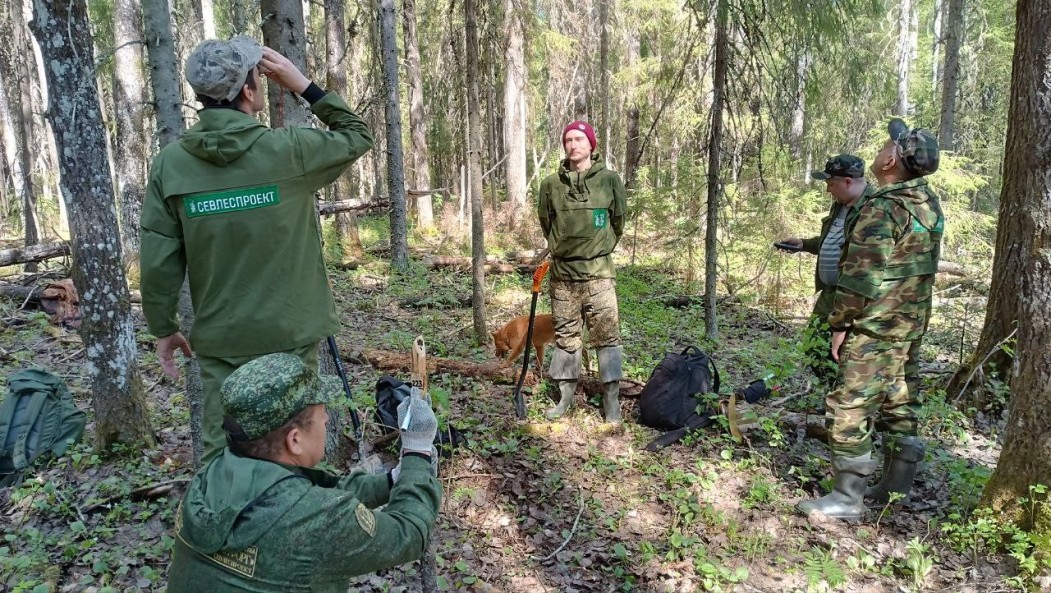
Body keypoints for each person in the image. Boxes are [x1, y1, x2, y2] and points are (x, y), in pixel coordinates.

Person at [139, 36, 373, 462]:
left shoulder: (170, 164)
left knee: (223, 451)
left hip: (223, 339)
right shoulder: (289, 151)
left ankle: (225, 520)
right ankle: (295, 519)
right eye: (258, 78)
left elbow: (159, 254)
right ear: (249, 90)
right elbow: (356, 134)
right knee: (295, 444)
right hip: (290, 332)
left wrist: (162, 326)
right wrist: (302, 84)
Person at [167, 353, 441, 591]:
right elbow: (409, 533)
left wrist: (391, 481)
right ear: (294, 440)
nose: (326, 419)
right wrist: (417, 450)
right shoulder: (319, 520)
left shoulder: (211, 475)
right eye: (322, 414)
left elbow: (299, 496)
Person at [797, 119, 943, 520]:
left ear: (892, 159)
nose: (877, 153)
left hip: (876, 328)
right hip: (908, 327)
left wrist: (841, 325)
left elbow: (861, 277)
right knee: (899, 403)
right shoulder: (927, 202)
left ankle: (847, 498)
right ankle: (894, 490)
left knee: (849, 406)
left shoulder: (883, 207)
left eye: (883, 148)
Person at [537, 121, 628, 423]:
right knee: (566, 337)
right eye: (568, 140)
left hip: (599, 273)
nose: (573, 144)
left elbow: (618, 221)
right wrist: (562, 245)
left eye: (579, 139)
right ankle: (565, 397)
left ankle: (611, 400)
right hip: (563, 276)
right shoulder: (551, 184)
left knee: (606, 336)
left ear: (591, 144)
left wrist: (599, 246)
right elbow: (545, 221)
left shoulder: (610, 180)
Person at [779, 154, 871, 387]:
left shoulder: (873, 208)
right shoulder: (840, 205)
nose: (829, 190)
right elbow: (833, 240)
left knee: (845, 347)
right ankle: (829, 388)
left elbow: (868, 258)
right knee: (815, 344)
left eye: (831, 184)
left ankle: (843, 395)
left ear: (848, 181)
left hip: (852, 292)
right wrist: (803, 244)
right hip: (829, 292)